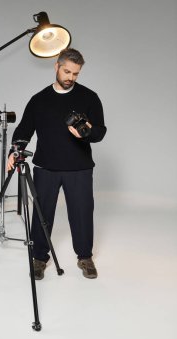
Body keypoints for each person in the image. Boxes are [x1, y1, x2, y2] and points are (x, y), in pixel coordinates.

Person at [7, 48, 106, 280]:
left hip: (79, 167)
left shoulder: (89, 97)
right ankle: (39, 258)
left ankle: (85, 256)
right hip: (46, 167)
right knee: (43, 213)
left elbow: (100, 132)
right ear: (56, 66)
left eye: (76, 73)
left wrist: (86, 132)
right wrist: (15, 150)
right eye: (67, 71)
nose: (70, 77)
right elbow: (24, 130)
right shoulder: (39, 99)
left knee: (82, 213)